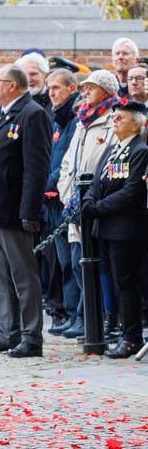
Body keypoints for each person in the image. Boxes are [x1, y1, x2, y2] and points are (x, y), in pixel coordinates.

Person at [0, 64, 52, 357]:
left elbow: (36, 167)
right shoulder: (2, 114)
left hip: (12, 209)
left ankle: (31, 336)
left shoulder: (31, 114)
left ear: (12, 85)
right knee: (1, 275)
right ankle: (8, 332)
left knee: (23, 276)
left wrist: (29, 211)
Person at [82, 99, 148, 358]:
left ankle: (131, 336)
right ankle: (123, 330)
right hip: (107, 227)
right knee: (116, 282)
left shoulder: (139, 150)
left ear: (136, 124)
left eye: (121, 117)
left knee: (127, 282)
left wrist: (97, 208)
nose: (114, 121)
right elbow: (96, 181)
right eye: (114, 117)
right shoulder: (112, 149)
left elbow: (131, 191)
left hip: (125, 228)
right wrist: (89, 200)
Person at [57, 70, 119, 340]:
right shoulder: (81, 121)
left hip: (97, 203)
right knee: (76, 262)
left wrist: (92, 196)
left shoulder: (112, 120)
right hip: (75, 204)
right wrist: (66, 192)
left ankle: (100, 318)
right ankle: (84, 317)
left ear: (105, 90)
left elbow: (110, 163)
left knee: (99, 265)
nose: (85, 92)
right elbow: (68, 163)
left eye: (91, 87)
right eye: (83, 88)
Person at [44, 69, 81, 337]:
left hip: (66, 199)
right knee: (64, 262)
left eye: (56, 87)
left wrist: (47, 183)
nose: (51, 93)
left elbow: (68, 161)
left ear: (71, 88)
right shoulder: (56, 119)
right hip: (53, 203)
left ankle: (81, 315)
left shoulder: (74, 118)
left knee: (74, 261)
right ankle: (70, 313)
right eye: (49, 88)